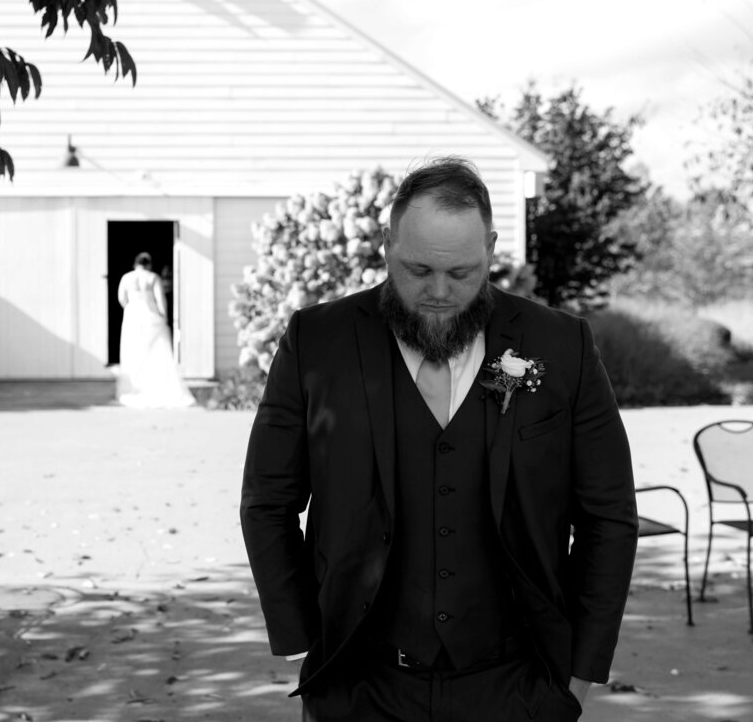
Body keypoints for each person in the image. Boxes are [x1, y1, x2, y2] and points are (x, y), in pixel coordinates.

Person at [240, 157, 637, 721]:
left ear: (492, 249)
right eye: (419, 269)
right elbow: (267, 502)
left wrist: (577, 678)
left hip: (517, 685)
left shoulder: (561, 345)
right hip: (359, 685)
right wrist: (305, 642)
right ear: (385, 244)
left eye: (462, 273)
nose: (440, 292)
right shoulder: (317, 342)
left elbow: (608, 516)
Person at [116, 252, 194, 408]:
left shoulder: (126, 277)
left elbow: (121, 298)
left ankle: (135, 386)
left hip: (132, 317)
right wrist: (164, 317)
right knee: (154, 351)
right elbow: (160, 299)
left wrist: (130, 308)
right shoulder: (153, 277)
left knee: (134, 351)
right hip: (150, 315)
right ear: (149, 264)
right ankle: (155, 383)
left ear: (135, 264)